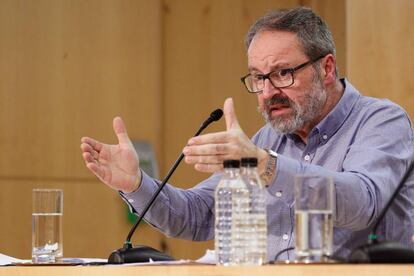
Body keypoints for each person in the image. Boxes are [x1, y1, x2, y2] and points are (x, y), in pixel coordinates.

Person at [80, 7, 414, 261]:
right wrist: (137, 185)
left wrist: (266, 166)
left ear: (326, 68)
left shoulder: (381, 121)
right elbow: (199, 215)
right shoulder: (268, 139)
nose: (268, 92)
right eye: (258, 77)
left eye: (283, 73)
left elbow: (363, 201)